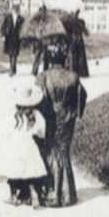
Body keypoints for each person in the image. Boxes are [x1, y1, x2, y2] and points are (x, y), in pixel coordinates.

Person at [36, 48, 88, 207]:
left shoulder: (43, 76)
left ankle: (52, 192)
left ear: (50, 60)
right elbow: (83, 96)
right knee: (63, 152)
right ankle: (67, 194)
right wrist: (76, 112)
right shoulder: (73, 76)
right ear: (64, 58)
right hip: (67, 118)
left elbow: (38, 98)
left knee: (50, 151)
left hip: (50, 117)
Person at [0, 78, 48, 209]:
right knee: (31, 172)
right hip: (29, 145)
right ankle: (34, 194)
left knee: (13, 172)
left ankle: (13, 195)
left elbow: (4, 131)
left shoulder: (13, 115)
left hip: (15, 146)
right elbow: (42, 132)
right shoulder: (36, 115)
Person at [1, 1, 24, 76]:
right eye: (15, 8)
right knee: (11, 54)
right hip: (9, 37)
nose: (16, 9)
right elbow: (3, 26)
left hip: (17, 38)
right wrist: (3, 35)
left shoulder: (21, 18)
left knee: (15, 54)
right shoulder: (8, 17)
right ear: (12, 8)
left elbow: (23, 28)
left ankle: (11, 70)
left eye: (17, 8)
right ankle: (13, 69)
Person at [66, 9, 90, 77]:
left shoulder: (70, 21)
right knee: (80, 57)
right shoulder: (80, 21)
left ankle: (74, 72)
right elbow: (86, 32)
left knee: (74, 57)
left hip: (73, 40)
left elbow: (68, 32)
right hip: (79, 39)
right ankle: (82, 72)